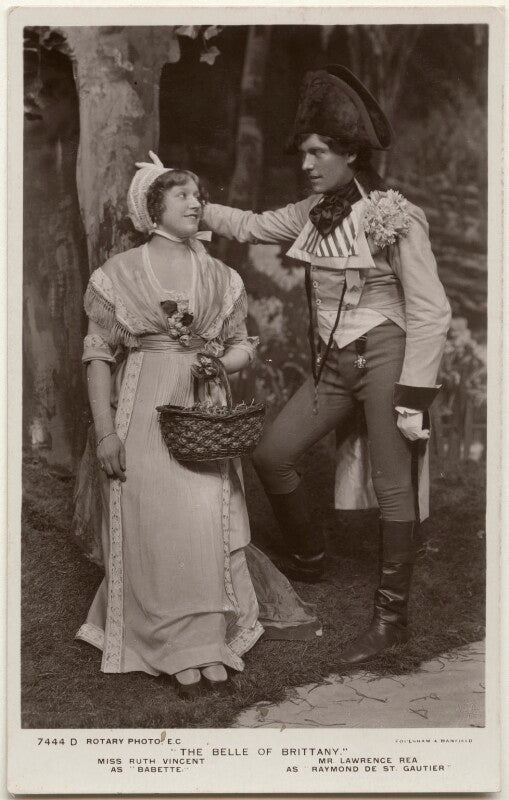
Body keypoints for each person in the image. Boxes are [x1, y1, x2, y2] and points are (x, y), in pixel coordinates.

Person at [202, 65, 451, 664]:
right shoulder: (311, 212)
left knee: (394, 485)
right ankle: (311, 558)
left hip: (387, 354)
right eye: (305, 153)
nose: (308, 163)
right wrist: (186, 202)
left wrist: (414, 395)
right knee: (271, 452)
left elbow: (432, 309)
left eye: (319, 152)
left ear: (350, 154)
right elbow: (252, 225)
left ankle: (392, 620)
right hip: (336, 362)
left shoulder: (393, 215)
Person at [73, 153, 319, 698]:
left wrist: (216, 363)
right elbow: (97, 356)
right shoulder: (117, 275)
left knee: (206, 521)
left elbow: (241, 350)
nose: (195, 200)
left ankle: (207, 641)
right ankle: (162, 644)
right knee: (153, 519)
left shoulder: (220, 276)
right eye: (181, 193)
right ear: (152, 206)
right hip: (141, 403)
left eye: (198, 192)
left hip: (202, 410)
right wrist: (106, 432)